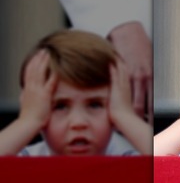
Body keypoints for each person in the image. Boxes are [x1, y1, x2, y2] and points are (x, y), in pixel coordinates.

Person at [0, 30, 151, 156]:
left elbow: (168, 169)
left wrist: (125, 117)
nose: (79, 123)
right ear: (33, 108)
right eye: (60, 106)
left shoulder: (126, 160)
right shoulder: (25, 160)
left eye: (95, 104)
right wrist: (28, 121)